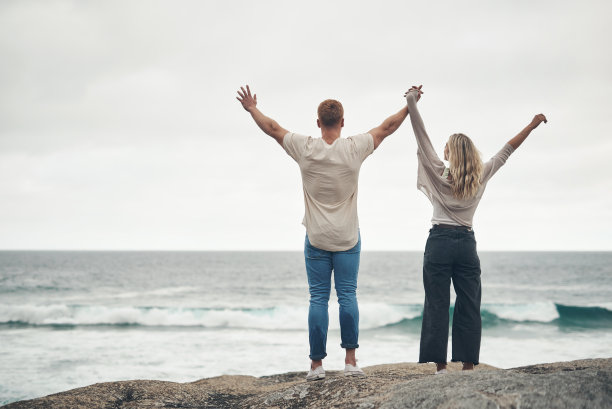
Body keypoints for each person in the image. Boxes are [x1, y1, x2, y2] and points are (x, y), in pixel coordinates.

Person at [236, 85, 410, 380]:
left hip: (316, 239)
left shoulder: (305, 148)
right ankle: (351, 362)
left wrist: (252, 108)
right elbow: (388, 127)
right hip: (347, 239)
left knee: (318, 298)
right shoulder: (355, 148)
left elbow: (273, 128)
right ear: (342, 122)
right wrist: (410, 105)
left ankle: (316, 366)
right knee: (347, 296)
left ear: (318, 123)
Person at [404, 85, 547, 374]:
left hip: (439, 242)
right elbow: (508, 149)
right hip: (467, 244)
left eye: (446, 146)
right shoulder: (481, 173)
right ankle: (468, 367)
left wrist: (411, 102)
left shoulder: (437, 169)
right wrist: (532, 125)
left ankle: (441, 369)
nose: (442, 148)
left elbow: (421, 134)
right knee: (469, 304)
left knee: (437, 304)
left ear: (451, 152)